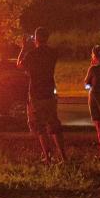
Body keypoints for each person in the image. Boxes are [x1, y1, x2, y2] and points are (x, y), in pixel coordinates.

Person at [17, 27, 67, 164]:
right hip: (49, 92)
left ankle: (48, 157)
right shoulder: (52, 53)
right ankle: (63, 157)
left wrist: (23, 48)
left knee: (40, 127)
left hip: (36, 94)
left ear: (36, 38)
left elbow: (20, 65)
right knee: (54, 124)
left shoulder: (31, 54)